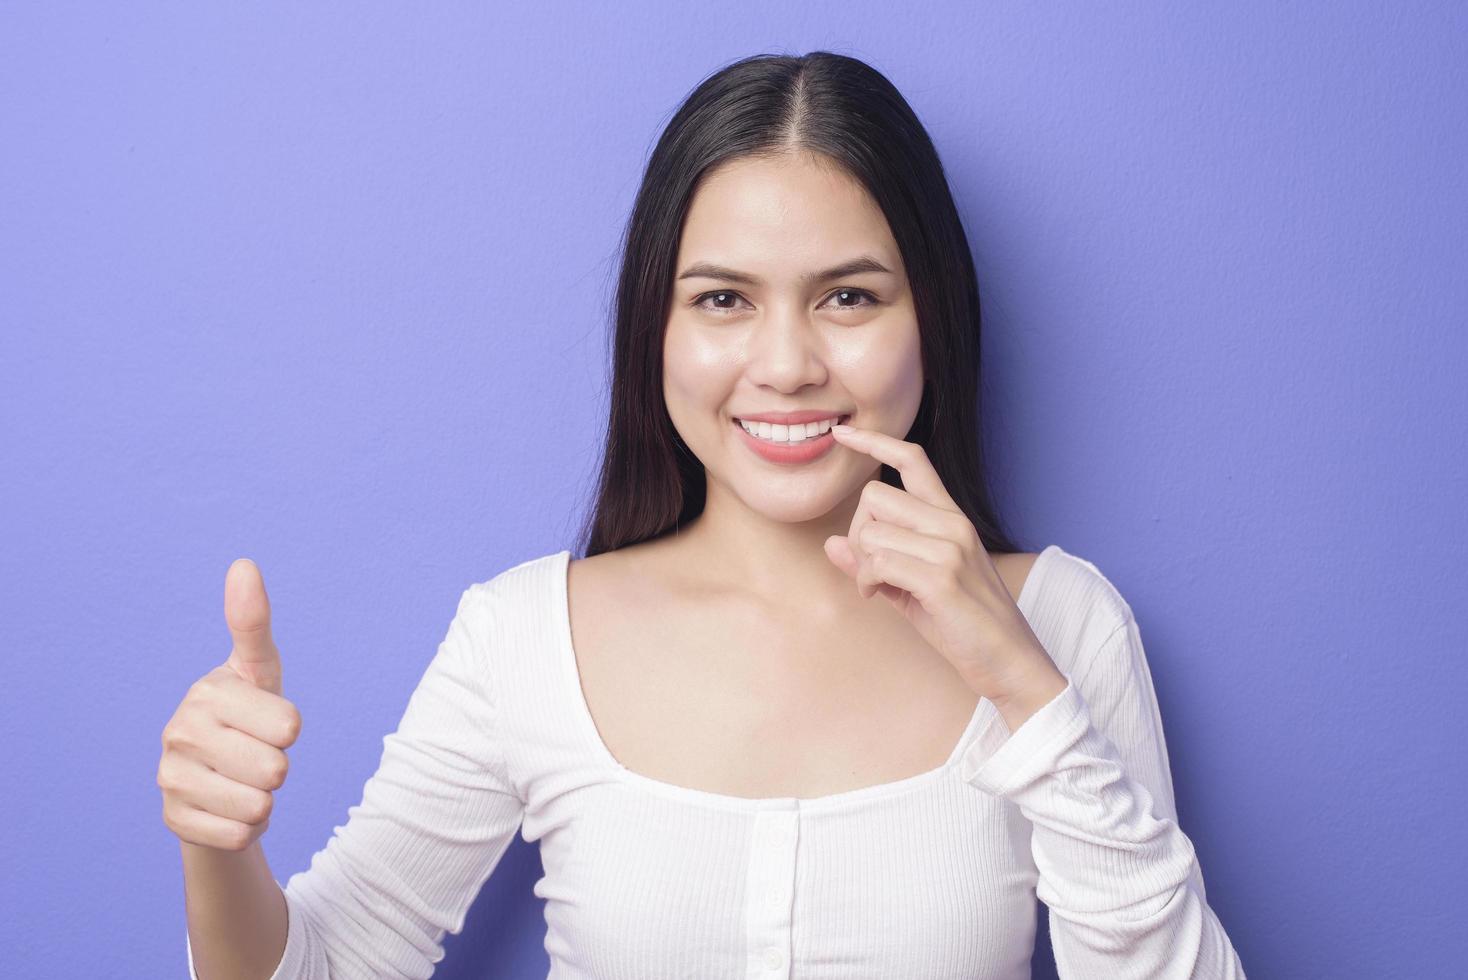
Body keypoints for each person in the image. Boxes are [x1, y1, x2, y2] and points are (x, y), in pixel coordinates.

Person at [162, 50, 1248, 979]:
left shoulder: (1062, 621)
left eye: (849, 296)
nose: (784, 364)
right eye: (723, 298)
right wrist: (217, 846)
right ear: (657, 327)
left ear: (933, 318)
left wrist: (1021, 680)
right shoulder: (523, 637)